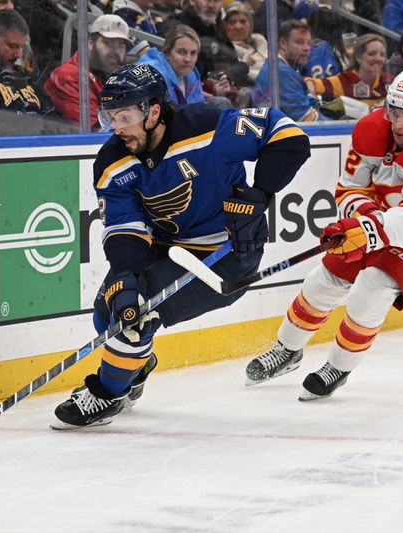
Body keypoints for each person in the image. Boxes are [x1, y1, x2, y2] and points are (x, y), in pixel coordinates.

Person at [51, 63, 311, 428]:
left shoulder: (206, 127)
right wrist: (125, 275)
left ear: (153, 111)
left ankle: (108, 395)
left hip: (227, 255)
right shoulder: (112, 161)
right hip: (167, 246)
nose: (116, 127)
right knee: (110, 307)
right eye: (109, 117)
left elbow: (287, 134)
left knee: (137, 318)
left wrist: (261, 192)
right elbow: (125, 227)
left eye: (124, 116)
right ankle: (135, 367)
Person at [245, 67, 403, 400]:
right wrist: (364, 217)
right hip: (383, 219)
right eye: (394, 111)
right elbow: (350, 187)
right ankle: (287, 350)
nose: (397, 123)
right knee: (324, 279)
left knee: (373, 288)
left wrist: (367, 229)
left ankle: (338, 367)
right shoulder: (372, 129)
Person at [43, 14, 131, 128]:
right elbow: (95, 134)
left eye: (121, 45)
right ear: (90, 43)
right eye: (107, 43)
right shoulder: (70, 76)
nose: (115, 51)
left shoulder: (111, 74)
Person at [0, 9, 47, 115]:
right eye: (13, 46)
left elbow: (51, 113)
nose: (19, 54)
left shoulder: (21, 73)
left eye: (21, 47)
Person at [254, 20, 327, 122]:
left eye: (308, 43)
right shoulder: (280, 72)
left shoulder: (278, 67)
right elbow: (308, 119)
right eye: (299, 42)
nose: (306, 48)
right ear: (283, 43)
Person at [307, 33, 393, 111]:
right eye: (372, 54)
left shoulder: (390, 82)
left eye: (382, 54)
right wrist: (311, 93)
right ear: (358, 57)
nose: (378, 59)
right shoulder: (345, 80)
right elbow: (309, 82)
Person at [137, 23, 204, 106]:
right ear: (167, 53)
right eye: (181, 52)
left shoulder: (192, 75)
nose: (188, 59)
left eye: (193, 53)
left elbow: (200, 108)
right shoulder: (152, 75)